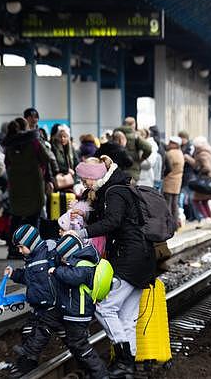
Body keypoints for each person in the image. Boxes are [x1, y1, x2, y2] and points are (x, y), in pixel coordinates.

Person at [69, 156, 155, 378]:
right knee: (126, 315)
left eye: (84, 179)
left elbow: (113, 221)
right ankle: (128, 365)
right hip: (142, 257)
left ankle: (124, 360)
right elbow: (113, 217)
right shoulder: (119, 187)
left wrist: (81, 232)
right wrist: (87, 214)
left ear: (92, 176)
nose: (84, 183)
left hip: (130, 257)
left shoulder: (114, 192)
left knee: (104, 307)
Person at [4, 224, 61, 377]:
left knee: (65, 338)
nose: (19, 250)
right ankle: (26, 366)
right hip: (39, 307)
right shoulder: (31, 258)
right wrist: (14, 274)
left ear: (32, 243)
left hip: (52, 307)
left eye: (22, 247)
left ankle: (88, 363)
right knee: (28, 333)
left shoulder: (47, 256)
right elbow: (29, 278)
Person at [50, 235, 109, 378]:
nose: (62, 261)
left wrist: (56, 271)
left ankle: (100, 373)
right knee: (75, 343)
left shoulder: (84, 266)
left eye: (63, 257)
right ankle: (91, 371)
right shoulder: (79, 263)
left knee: (79, 344)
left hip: (79, 314)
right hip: (75, 312)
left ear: (70, 253)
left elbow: (73, 277)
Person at [4, 118, 53, 259]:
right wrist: (47, 177)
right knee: (34, 217)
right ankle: (33, 248)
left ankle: (13, 250)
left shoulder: (9, 145)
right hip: (33, 184)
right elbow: (46, 158)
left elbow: (7, 164)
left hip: (16, 185)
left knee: (16, 217)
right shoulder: (34, 141)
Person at [188, 136, 211, 227]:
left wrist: (199, 171)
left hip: (204, 181)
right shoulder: (207, 152)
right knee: (204, 201)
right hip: (209, 180)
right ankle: (210, 219)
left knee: (196, 200)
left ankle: (206, 218)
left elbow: (206, 167)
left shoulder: (202, 154)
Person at [113, 117, 151, 183]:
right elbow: (148, 148)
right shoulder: (135, 137)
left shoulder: (114, 135)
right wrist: (142, 158)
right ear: (133, 124)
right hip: (132, 171)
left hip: (116, 171)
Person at [163, 136, 184, 228]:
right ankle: (175, 225)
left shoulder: (170, 153)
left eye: (171, 142)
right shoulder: (180, 153)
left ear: (175, 144)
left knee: (167, 204)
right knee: (175, 204)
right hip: (177, 181)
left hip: (169, 180)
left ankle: (168, 225)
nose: (169, 144)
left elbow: (167, 167)